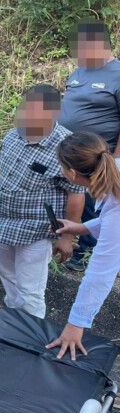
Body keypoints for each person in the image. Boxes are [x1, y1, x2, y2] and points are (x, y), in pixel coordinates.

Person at [0, 84, 85, 319]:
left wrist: (67, 237)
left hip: (37, 231)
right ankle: (13, 321)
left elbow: (76, 194)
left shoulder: (65, 146)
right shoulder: (14, 135)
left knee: (31, 290)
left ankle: (28, 337)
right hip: (5, 223)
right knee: (6, 273)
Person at [43, 131, 120, 413]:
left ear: (72, 174)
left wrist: (75, 326)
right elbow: (110, 218)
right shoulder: (112, 166)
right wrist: (83, 227)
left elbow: (100, 275)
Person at [58, 20, 120, 271]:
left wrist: (116, 161)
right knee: (73, 201)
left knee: (95, 207)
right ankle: (68, 245)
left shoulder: (117, 74)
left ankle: (88, 256)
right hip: (70, 154)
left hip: (97, 158)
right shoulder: (79, 72)